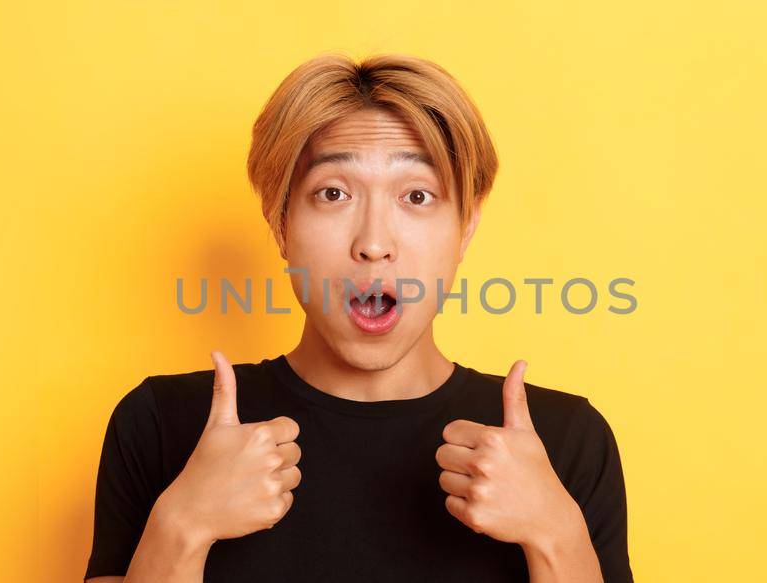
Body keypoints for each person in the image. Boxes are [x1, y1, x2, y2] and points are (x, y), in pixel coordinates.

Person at [85, 53, 632, 582]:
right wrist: (182, 525)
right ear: (281, 224)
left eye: (417, 195)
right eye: (333, 193)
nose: (373, 244)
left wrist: (557, 537)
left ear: (465, 228)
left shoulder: (564, 442)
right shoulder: (160, 424)